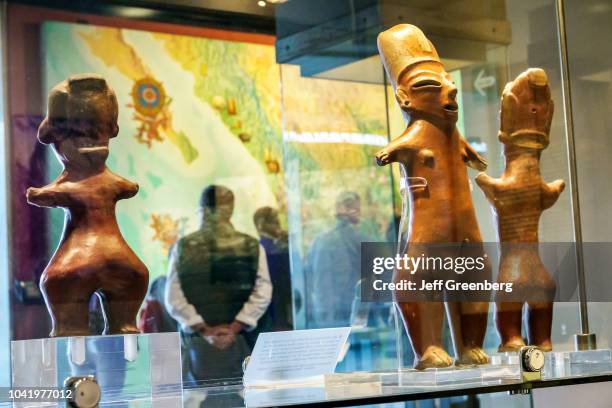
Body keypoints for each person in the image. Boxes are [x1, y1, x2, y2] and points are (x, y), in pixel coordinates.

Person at [164, 185, 272, 382]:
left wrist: (206, 330)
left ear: (202, 210)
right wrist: (234, 328)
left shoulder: (182, 247)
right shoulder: (251, 246)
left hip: (202, 343)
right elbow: (263, 291)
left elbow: (173, 297)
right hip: (239, 340)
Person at [305, 191, 368, 328]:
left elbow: (309, 279)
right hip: (346, 314)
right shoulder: (360, 238)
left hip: (329, 316)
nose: (358, 212)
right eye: (355, 208)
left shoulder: (321, 240)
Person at [253, 207, 292, 331]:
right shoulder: (262, 248)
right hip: (272, 307)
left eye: (277, 220)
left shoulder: (281, 244)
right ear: (261, 225)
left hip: (286, 304)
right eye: (273, 221)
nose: (278, 225)